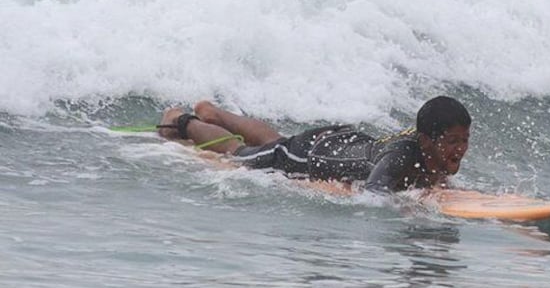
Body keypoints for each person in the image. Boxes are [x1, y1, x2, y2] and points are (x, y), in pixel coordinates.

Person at [156, 96, 471, 193]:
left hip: (340, 143)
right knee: (238, 155)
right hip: (312, 156)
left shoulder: (426, 148)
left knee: (276, 143)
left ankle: (215, 113)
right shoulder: (400, 155)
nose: (460, 149)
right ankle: (183, 120)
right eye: (452, 141)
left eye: (465, 141)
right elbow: (374, 197)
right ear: (427, 139)